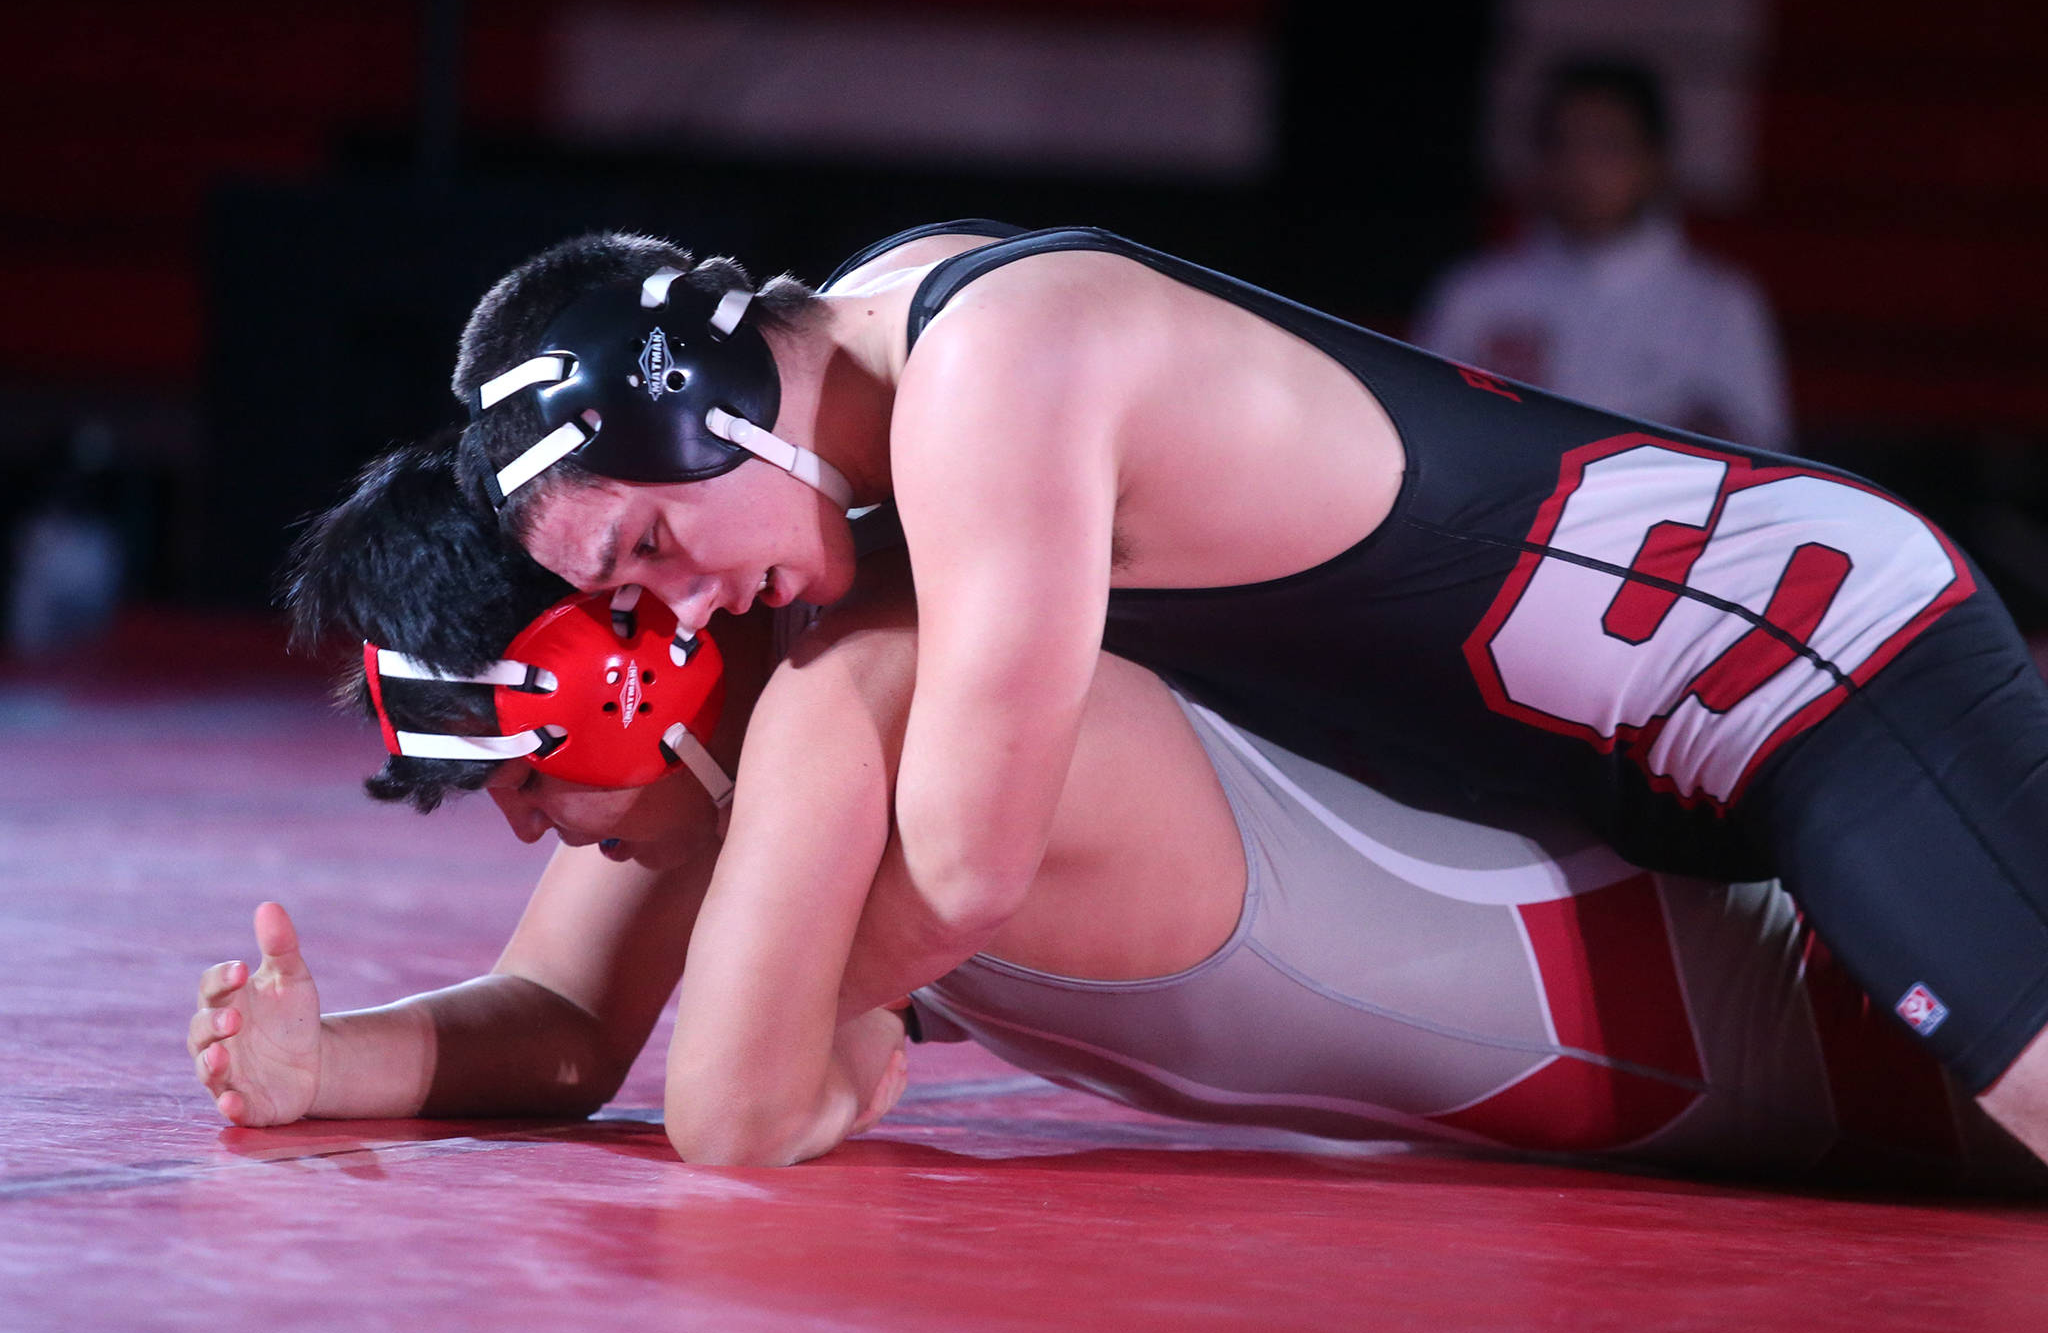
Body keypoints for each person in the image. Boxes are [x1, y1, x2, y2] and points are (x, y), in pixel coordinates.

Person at [438, 215, 2048, 1163]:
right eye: (636, 594)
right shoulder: (897, 359)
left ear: (710, 404)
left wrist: (784, 1045)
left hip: (1793, 664)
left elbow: (966, 868)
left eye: (658, 540)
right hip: (1643, 748)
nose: (694, 601)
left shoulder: (988, 380)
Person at [187, 440, 2040, 1187]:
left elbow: (735, 1120)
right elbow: (573, 1027)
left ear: (629, 671)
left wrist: (824, 1045)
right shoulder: (784, 737)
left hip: (1863, 1025)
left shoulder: (868, 689)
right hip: (1774, 1038)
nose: (524, 834)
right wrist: (313, 1070)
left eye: (514, 774)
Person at [1414, 56, 1791, 451]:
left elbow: (1760, 452)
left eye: (1609, 147)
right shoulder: (1477, 292)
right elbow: (1425, 429)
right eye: (1564, 144)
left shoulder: (1717, 302)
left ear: (1654, 161)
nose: (1583, 168)